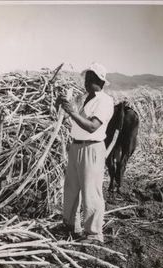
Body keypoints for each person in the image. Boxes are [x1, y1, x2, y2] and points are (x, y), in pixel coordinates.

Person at [58, 63, 114, 244]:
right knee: (71, 188)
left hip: (92, 148)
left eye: (91, 78)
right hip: (76, 147)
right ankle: (70, 225)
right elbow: (69, 116)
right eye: (87, 77)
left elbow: (92, 126)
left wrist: (72, 111)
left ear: (100, 81)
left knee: (91, 191)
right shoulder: (83, 98)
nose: (87, 81)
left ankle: (93, 234)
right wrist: (62, 105)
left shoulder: (105, 101)